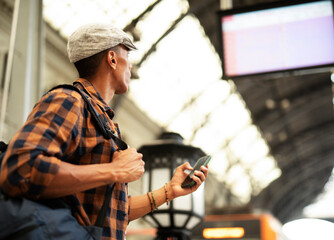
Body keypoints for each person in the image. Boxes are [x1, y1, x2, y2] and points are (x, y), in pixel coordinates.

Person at [0, 23, 208, 240]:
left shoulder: (103, 122)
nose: (130, 66)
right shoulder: (69, 101)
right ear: (112, 58)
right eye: (128, 55)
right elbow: (20, 169)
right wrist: (115, 170)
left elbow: (113, 213)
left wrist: (170, 191)